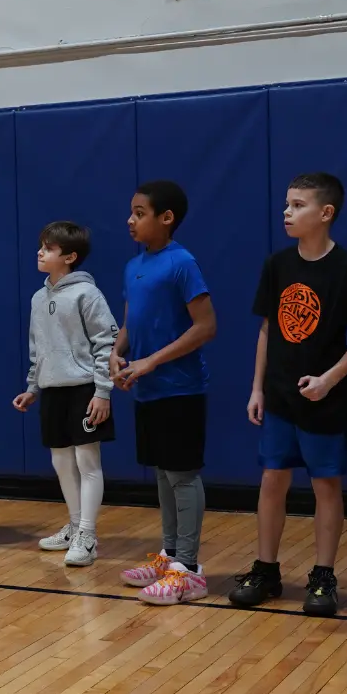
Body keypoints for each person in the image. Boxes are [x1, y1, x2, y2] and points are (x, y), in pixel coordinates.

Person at [230, 173, 347, 617]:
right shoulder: (277, 265)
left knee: (325, 485)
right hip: (278, 397)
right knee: (272, 480)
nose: (287, 212)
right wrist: (257, 388)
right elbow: (267, 329)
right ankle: (266, 570)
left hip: (324, 400)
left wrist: (330, 379)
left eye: (297, 205)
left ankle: (323, 576)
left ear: (325, 213)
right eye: (286, 205)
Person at [111, 179, 216, 604]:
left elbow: (206, 326)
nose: (130, 220)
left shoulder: (182, 263)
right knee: (161, 472)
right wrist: (118, 353)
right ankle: (170, 555)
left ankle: (189, 569)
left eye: (139, 213)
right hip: (147, 390)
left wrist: (152, 361)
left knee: (182, 474)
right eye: (131, 212)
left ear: (166, 218)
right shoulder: (133, 265)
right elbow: (131, 322)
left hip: (180, 389)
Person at [13, 220, 117, 567]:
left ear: (70, 256)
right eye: (41, 246)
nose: (40, 252)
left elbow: (107, 343)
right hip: (52, 389)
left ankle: (88, 535)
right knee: (61, 461)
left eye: (49, 248)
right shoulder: (37, 298)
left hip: (85, 389)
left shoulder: (88, 294)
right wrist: (33, 387)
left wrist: (103, 391)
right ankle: (74, 526)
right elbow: (37, 348)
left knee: (87, 461)